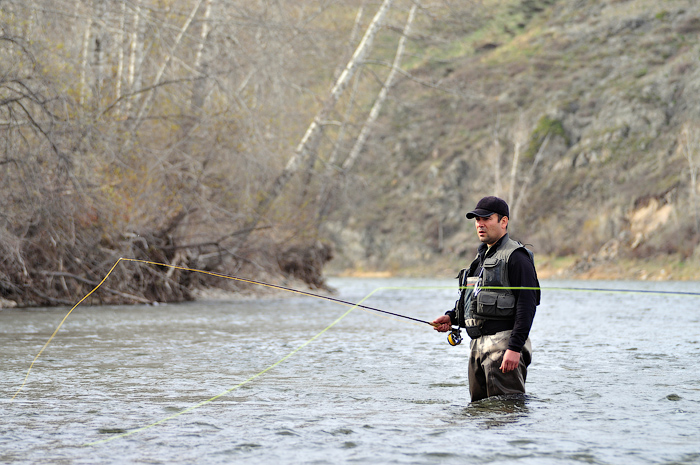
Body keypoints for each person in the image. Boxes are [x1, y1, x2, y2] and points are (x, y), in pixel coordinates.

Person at [432, 196, 540, 402]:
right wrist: (452, 318)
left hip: (504, 346)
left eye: (486, 219)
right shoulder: (480, 259)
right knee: (479, 414)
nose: (480, 224)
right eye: (476, 220)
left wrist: (514, 348)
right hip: (477, 347)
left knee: (506, 412)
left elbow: (527, 305)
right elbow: (474, 301)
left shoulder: (517, 257)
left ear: (503, 221)